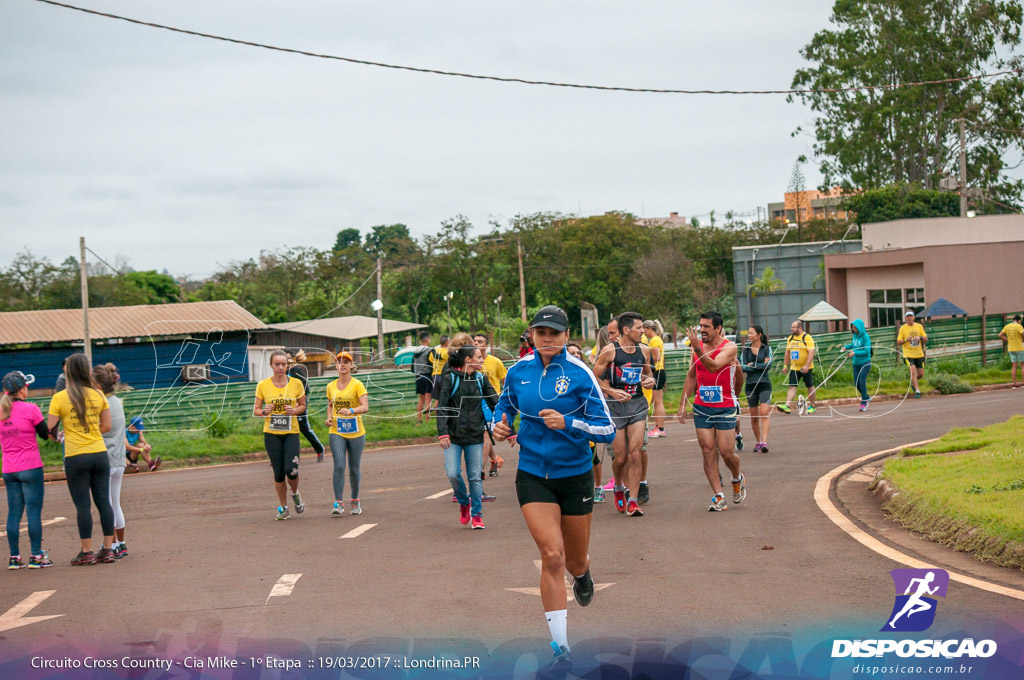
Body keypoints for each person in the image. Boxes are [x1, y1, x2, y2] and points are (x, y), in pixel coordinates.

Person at [492, 305, 615, 671]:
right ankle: (561, 646)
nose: (547, 338)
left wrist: (570, 422)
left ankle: (584, 572)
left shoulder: (580, 374)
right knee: (552, 555)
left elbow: (606, 428)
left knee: (574, 560)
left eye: (554, 333)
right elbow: (503, 407)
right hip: (532, 474)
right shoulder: (517, 372)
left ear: (565, 336)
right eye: (541, 332)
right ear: (531, 334)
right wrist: (499, 425)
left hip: (575, 474)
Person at [47, 353, 117, 565]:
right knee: (103, 501)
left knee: (83, 505)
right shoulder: (98, 395)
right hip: (99, 453)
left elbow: (50, 431)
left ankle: (86, 552)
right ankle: (107, 549)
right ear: (87, 370)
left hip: (76, 455)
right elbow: (107, 426)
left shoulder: (59, 397)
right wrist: (90, 430)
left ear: (68, 371)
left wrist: (64, 432)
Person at [677, 312, 746, 512]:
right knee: (707, 450)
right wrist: (683, 403)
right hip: (702, 406)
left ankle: (736, 477)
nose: (702, 330)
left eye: (707, 326)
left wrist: (697, 348)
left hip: (724, 406)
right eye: (700, 326)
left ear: (718, 328)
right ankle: (718, 496)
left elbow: (714, 367)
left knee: (726, 452)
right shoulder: (696, 348)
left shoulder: (730, 348)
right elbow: (692, 375)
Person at [593, 311, 656, 517]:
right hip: (615, 407)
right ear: (626, 330)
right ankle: (619, 487)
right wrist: (612, 391)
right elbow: (594, 378)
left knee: (635, 454)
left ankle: (633, 501)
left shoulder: (645, 351)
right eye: (639, 328)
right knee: (620, 458)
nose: (642, 331)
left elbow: (649, 375)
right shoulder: (610, 351)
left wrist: (649, 381)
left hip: (637, 404)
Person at [437, 344, 503, 530]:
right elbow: (443, 407)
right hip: (453, 436)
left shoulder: (481, 379)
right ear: (468, 360)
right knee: (453, 474)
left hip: (475, 436)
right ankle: (464, 502)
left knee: (474, 477)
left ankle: (477, 515)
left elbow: (495, 403)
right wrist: (443, 432)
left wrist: (505, 424)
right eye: (479, 357)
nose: (482, 360)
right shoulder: (450, 378)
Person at [1, 371, 53, 569]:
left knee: (13, 512)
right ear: (22, 389)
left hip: (9, 468)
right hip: (31, 466)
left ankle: (14, 557)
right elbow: (44, 434)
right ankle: (36, 555)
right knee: (33, 512)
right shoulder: (31, 409)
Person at [254, 349, 307, 520]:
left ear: (287, 366)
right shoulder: (263, 385)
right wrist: (264, 411)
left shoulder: (296, 384)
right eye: (277, 364)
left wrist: (294, 410)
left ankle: (295, 492)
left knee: (291, 470)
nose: (280, 367)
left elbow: (303, 406)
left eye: (283, 364)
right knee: (278, 473)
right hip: (272, 433)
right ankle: (283, 508)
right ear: (271, 366)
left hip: (291, 432)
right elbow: (255, 410)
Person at [325, 351, 368, 516]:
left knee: (354, 467)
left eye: (346, 362)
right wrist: (329, 418)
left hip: (356, 431)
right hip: (337, 430)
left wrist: (351, 410)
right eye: (339, 362)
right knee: (339, 465)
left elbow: (365, 407)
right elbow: (330, 405)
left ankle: (355, 500)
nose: (342, 365)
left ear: (351, 365)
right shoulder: (330, 386)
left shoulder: (357, 385)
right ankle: (338, 502)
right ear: (335, 365)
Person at [93, 364, 128, 558]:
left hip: (104, 459)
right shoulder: (117, 402)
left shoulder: (101, 404)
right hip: (119, 459)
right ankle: (121, 543)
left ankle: (112, 544)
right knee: (115, 503)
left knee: (106, 505)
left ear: (97, 386)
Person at [569, 342, 605, 504]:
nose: (576, 355)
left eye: (578, 353)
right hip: (569, 423)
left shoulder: (586, 374)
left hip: (585, 421)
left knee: (593, 456)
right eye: (572, 353)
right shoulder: (562, 374)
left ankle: (598, 487)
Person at [474, 333, 509, 478]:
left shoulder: (495, 362)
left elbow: (506, 382)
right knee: (482, 434)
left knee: (484, 434)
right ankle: (495, 459)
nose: (476, 343)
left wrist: (505, 402)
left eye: (480, 341)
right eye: (474, 341)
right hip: (474, 402)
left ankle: (480, 469)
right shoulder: (469, 361)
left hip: (490, 403)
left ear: (486, 346)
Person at [288, 351, 325, 463]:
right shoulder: (280, 374)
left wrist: (300, 403)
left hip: (299, 405)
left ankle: (320, 449)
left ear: (292, 359)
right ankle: (293, 455)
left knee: (304, 429)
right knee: (288, 431)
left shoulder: (297, 371)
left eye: (288, 358)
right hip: (286, 407)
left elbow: (305, 388)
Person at [741, 325, 774, 452]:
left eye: (751, 333)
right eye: (748, 333)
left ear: (759, 335)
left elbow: (768, 365)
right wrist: (760, 365)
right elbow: (743, 367)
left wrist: (753, 365)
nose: (749, 335)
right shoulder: (746, 351)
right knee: (754, 417)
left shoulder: (767, 349)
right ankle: (758, 441)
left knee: (764, 412)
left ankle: (765, 442)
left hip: (764, 384)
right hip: (750, 386)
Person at [778, 320, 817, 414]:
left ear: (800, 328)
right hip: (794, 367)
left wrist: (807, 366)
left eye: (794, 327)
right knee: (792, 386)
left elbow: (811, 352)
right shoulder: (790, 338)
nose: (791, 329)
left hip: (806, 368)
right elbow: (787, 352)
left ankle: (812, 405)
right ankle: (787, 405)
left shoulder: (807, 337)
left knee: (809, 386)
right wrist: (785, 365)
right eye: (791, 327)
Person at [641, 320, 667, 438]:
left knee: (658, 402)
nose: (643, 332)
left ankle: (660, 428)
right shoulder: (656, 339)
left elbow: (655, 357)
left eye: (644, 330)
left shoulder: (655, 340)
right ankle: (658, 426)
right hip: (658, 371)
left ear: (648, 329)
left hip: (656, 372)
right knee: (656, 402)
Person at [897, 311, 928, 399]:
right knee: (913, 371)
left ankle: (913, 382)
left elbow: (926, 338)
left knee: (920, 373)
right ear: (905, 318)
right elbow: (898, 342)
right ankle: (917, 390)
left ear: (914, 317)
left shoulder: (919, 326)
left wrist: (920, 338)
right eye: (907, 316)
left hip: (919, 353)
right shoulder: (903, 328)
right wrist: (906, 339)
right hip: (908, 354)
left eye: (911, 316)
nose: (909, 318)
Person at [844, 319, 873, 411]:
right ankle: (866, 396)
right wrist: (846, 347)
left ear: (859, 328)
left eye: (855, 328)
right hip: (855, 363)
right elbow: (853, 344)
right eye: (852, 328)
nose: (853, 329)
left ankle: (864, 401)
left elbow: (866, 351)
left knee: (861, 380)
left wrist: (855, 353)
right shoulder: (855, 336)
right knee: (856, 383)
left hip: (865, 362)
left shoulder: (865, 337)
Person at [412, 331, 434, 423]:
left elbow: (412, 366)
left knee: (421, 399)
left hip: (418, 377)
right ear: (428, 339)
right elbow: (431, 363)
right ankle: (427, 419)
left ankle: (419, 419)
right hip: (427, 376)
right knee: (428, 398)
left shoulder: (415, 351)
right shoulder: (429, 350)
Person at [999, 314, 1023, 389]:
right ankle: (1023, 382)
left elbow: (1000, 335)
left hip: (1011, 348)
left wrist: (1008, 340)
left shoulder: (1007, 326)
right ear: (1019, 320)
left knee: (1014, 366)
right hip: (1019, 348)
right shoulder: (1019, 326)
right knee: (1023, 365)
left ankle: (1014, 383)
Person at [428, 335, 450, 416]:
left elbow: (430, 360)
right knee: (445, 397)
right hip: (443, 375)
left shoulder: (434, 351)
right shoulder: (447, 352)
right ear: (447, 342)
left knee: (437, 398)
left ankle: (437, 417)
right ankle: (444, 416)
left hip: (434, 375)